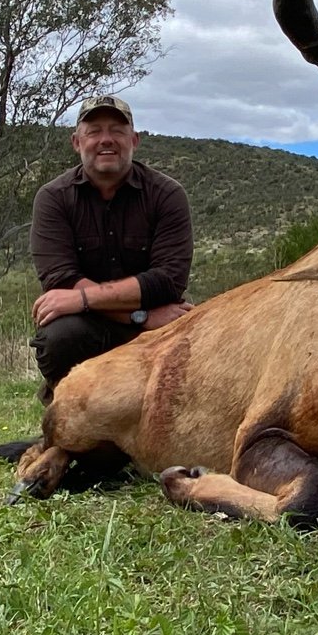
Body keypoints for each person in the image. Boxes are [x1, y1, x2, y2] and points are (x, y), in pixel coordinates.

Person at [28, 94, 194, 403]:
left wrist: (80, 299)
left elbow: (168, 281)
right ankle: (72, 416)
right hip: (101, 325)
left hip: (160, 327)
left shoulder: (168, 195)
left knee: (203, 336)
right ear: (77, 142)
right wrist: (141, 316)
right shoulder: (52, 198)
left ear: (134, 140)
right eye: (94, 131)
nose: (107, 140)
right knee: (58, 337)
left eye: (117, 130)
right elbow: (61, 280)